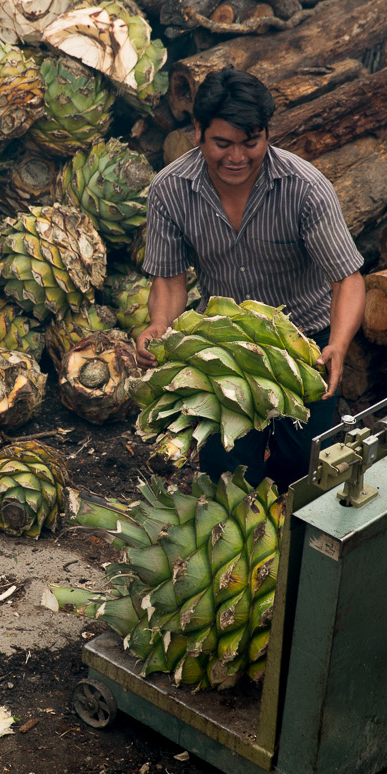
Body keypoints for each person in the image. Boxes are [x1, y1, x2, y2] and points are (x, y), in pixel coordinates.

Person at [134, 67, 365, 489]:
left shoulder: (305, 188)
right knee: (226, 469)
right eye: (223, 144)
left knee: (303, 472)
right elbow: (169, 280)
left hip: (305, 346)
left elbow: (347, 278)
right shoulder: (170, 190)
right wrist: (158, 326)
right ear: (197, 131)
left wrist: (338, 344)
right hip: (221, 349)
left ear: (266, 134)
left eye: (250, 143)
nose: (237, 157)